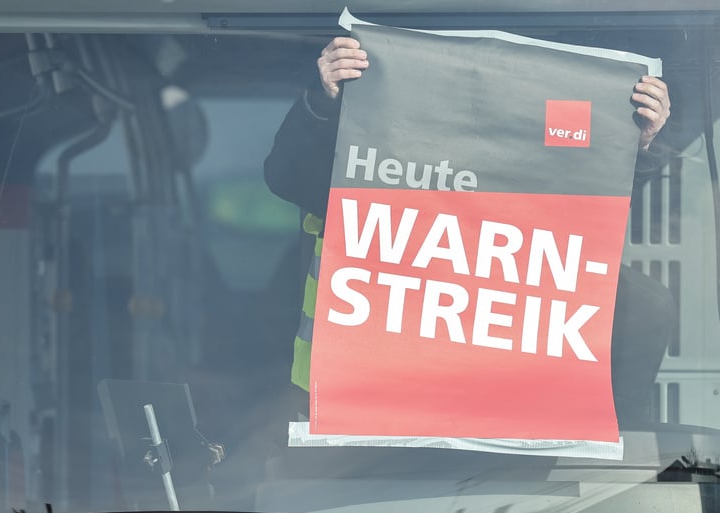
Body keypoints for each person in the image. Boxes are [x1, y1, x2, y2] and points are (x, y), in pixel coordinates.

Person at [265, 36, 676, 424]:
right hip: (358, 429)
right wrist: (323, 104)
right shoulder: (371, 179)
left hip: (507, 457)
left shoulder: (620, 295)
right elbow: (289, 176)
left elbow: (587, 203)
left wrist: (628, 140)